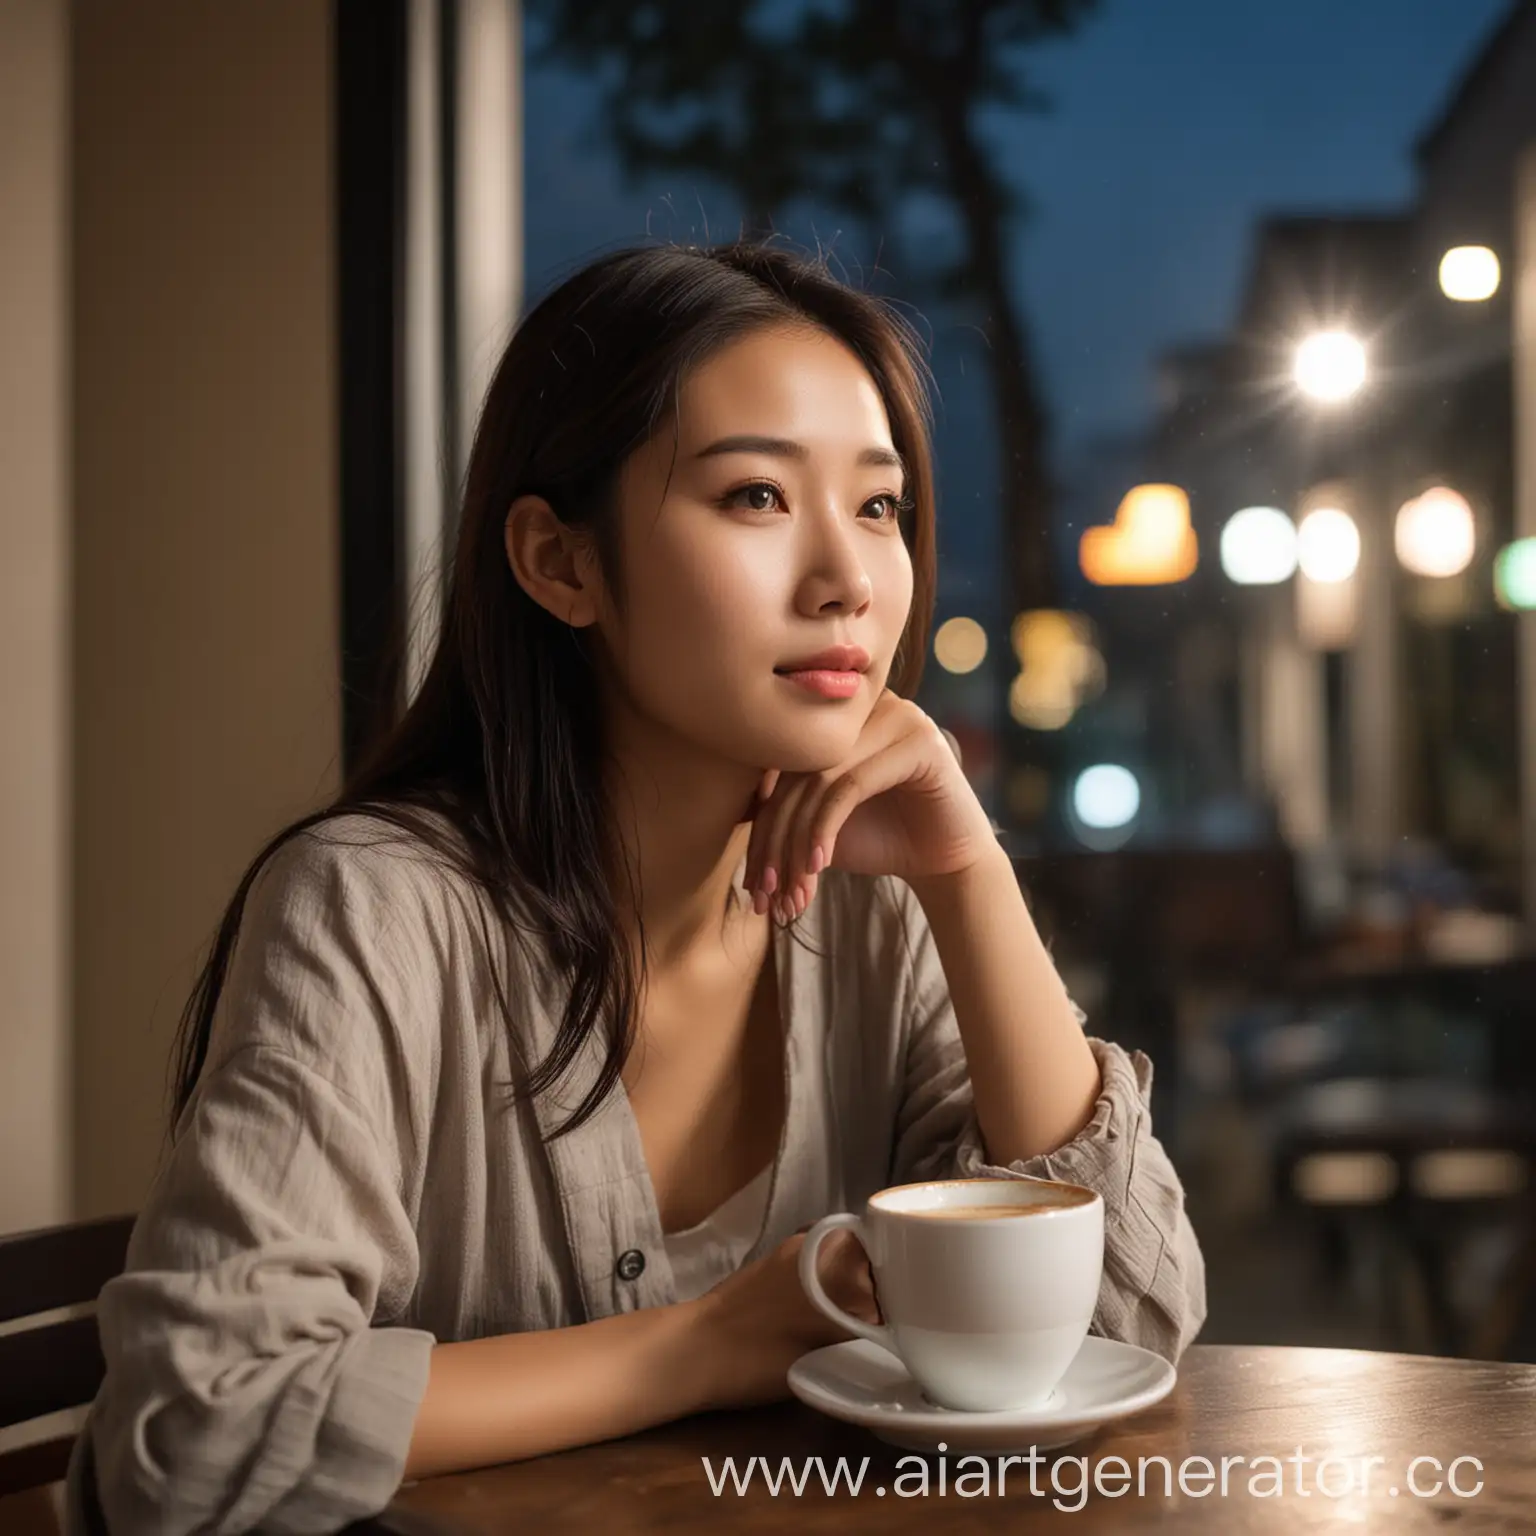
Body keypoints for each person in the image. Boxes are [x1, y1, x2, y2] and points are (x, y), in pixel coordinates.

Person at [67, 241, 1206, 1535]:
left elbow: (1125, 1315)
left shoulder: (876, 909)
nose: (847, 579)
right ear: (562, 565)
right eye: (757, 498)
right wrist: (707, 1343)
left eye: (879, 507)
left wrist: (967, 869)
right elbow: (196, 1434)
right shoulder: (374, 907)